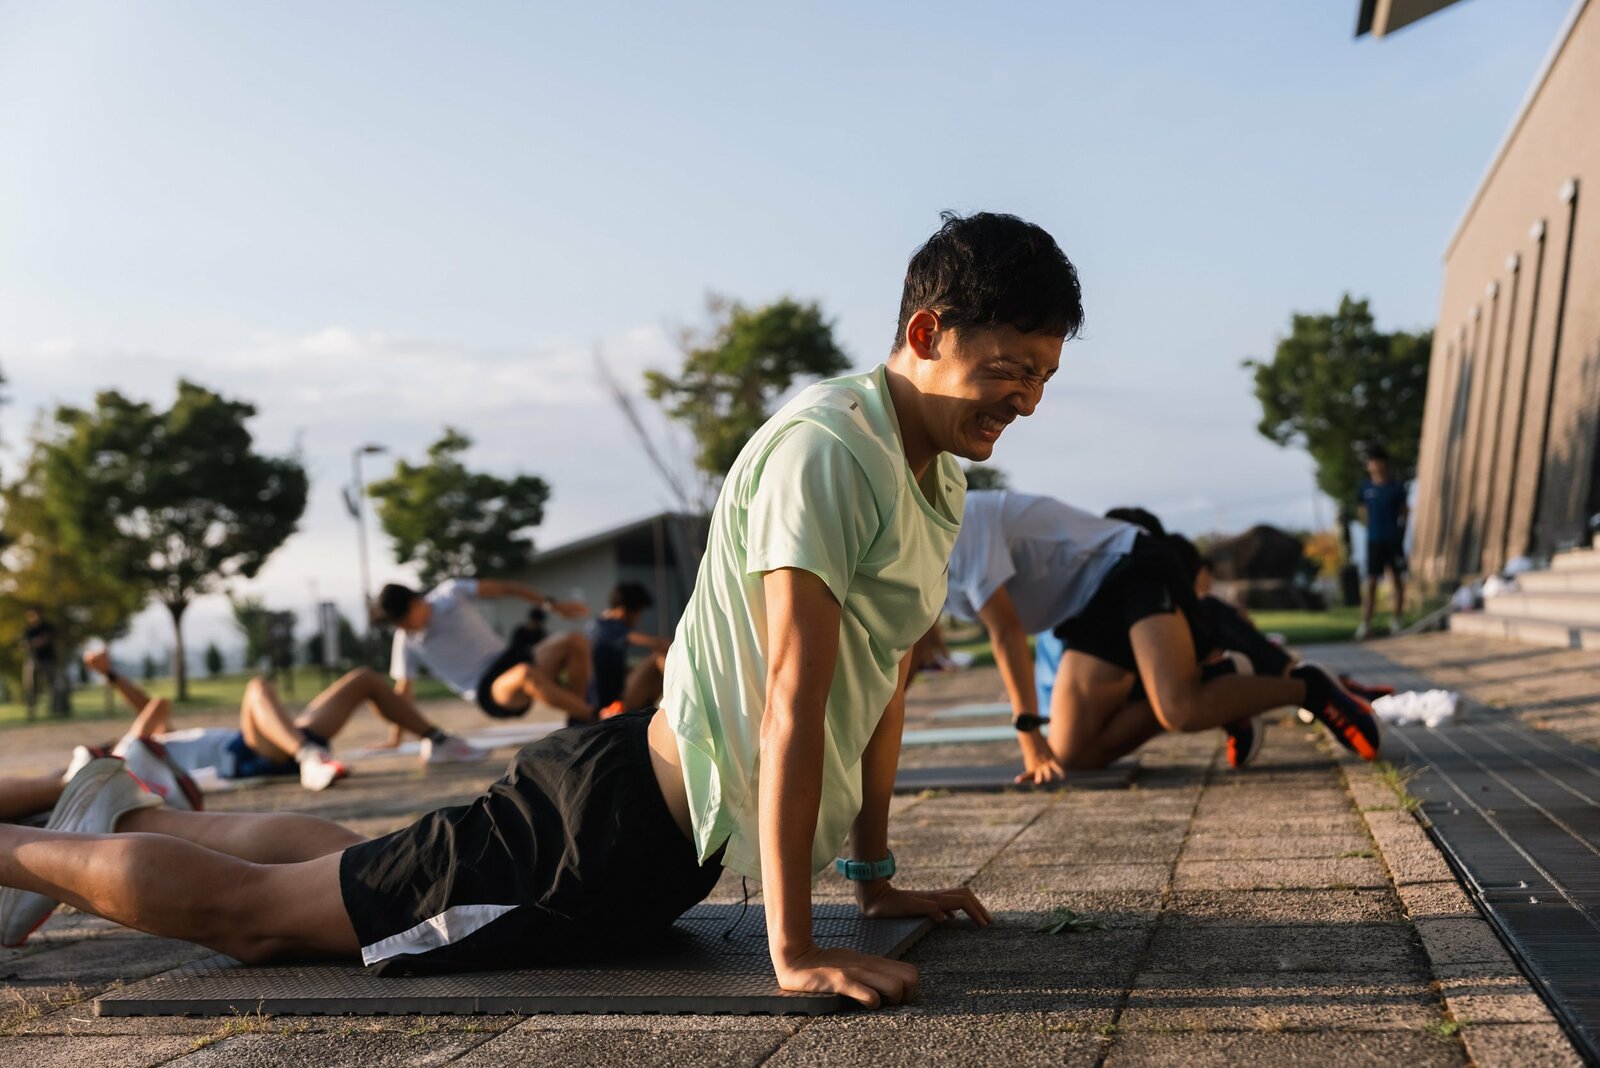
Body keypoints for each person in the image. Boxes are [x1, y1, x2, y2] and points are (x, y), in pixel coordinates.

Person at [0, 210, 1079, 1004]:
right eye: (1006, 371)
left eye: (1040, 380)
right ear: (927, 330)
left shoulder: (928, 472)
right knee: (264, 923)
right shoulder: (828, 450)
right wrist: (794, 947)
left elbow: (875, 687)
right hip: (605, 836)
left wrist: (873, 880)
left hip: (646, 832)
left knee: (350, 859)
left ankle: (113, 810)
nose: (1022, 401)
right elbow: (794, 696)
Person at [944, 490, 1382, 784]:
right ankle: (1219, 680)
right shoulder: (902, 565)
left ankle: (1309, 689)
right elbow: (906, 649)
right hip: (1088, 607)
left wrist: (1027, 736)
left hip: (1128, 565)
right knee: (1073, 754)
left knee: (1180, 709)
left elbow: (1006, 632)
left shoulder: (955, 521)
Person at [79, 648, 482, 797]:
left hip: (269, 741)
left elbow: (155, 707)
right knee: (257, 688)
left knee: (364, 680)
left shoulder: (154, 746)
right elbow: (157, 708)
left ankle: (438, 740)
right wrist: (131, 734)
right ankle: (309, 756)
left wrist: (112, 675)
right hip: (244, 755)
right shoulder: (128, 753)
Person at [377, 578, 595, 729]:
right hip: (488, 688)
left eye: (405, 623)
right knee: (526, 674)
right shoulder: (405, 640)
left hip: (509, 657)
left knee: (574, 640)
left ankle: (579, 720)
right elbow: (404, 692)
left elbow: (507, 589)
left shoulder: (451, 593)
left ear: (415, 603)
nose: (405, 629)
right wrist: (396, 738)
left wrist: (554, 606)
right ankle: (597, 716)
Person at [587, 582, 671, 718]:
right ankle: (683, 700)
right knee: (659, 656)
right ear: (624, 611)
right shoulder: (609, 628)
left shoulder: (595, 626)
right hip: (610, 705)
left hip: (608, 698)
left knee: (648, 662)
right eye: (638, 613)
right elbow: (657, 643)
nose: (639, 619)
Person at [1356, 445, 1409, 640]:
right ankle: (1366, 623)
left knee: (1397, 580)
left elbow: (1405, 512)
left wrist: (1400, 534)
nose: (1374, 465)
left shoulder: (1395, 487)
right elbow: (1362, 512)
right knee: (1371, 582)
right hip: (1374, 541)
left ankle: (1396, 621)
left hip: (1393, 540)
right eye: (1371, 462)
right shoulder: (1365, 488)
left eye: (1377, 461)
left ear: (1384, 463)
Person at [21, 607, 60, 720]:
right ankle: (31, 711)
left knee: (52, 685)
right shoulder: (28, 630)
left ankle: (54, 710)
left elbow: (49, 640)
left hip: (48, 659)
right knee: (31, 686)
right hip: (32, 660)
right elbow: (25, 645)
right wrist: (39, 641)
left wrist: (35, 642)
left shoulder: (47, 627)